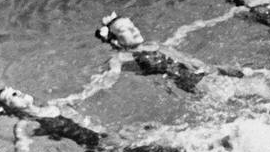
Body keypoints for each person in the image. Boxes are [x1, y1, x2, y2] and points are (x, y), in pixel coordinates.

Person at [0, 87, 183, 152]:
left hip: (106, 133)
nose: (19, 92)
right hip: (98, 144)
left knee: (154, 128)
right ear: (8, 109)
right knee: (161, 150)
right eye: (13, 96)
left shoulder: (52, 105)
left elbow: (87, 92)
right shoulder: (25, 125)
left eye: (15, 90)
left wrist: (107, 75)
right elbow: (21, 150)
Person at [95, 12, 242, 93]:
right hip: (195, 81)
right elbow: (109, 77)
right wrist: (80, 96)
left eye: (132, 25)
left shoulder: (152, 44)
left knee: (251, 75)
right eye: (124, 30)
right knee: (254, 90)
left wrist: (222, 17)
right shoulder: (120, 58)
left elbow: (179, 37)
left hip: (207, 69)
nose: (134, 30)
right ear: (115, 41)